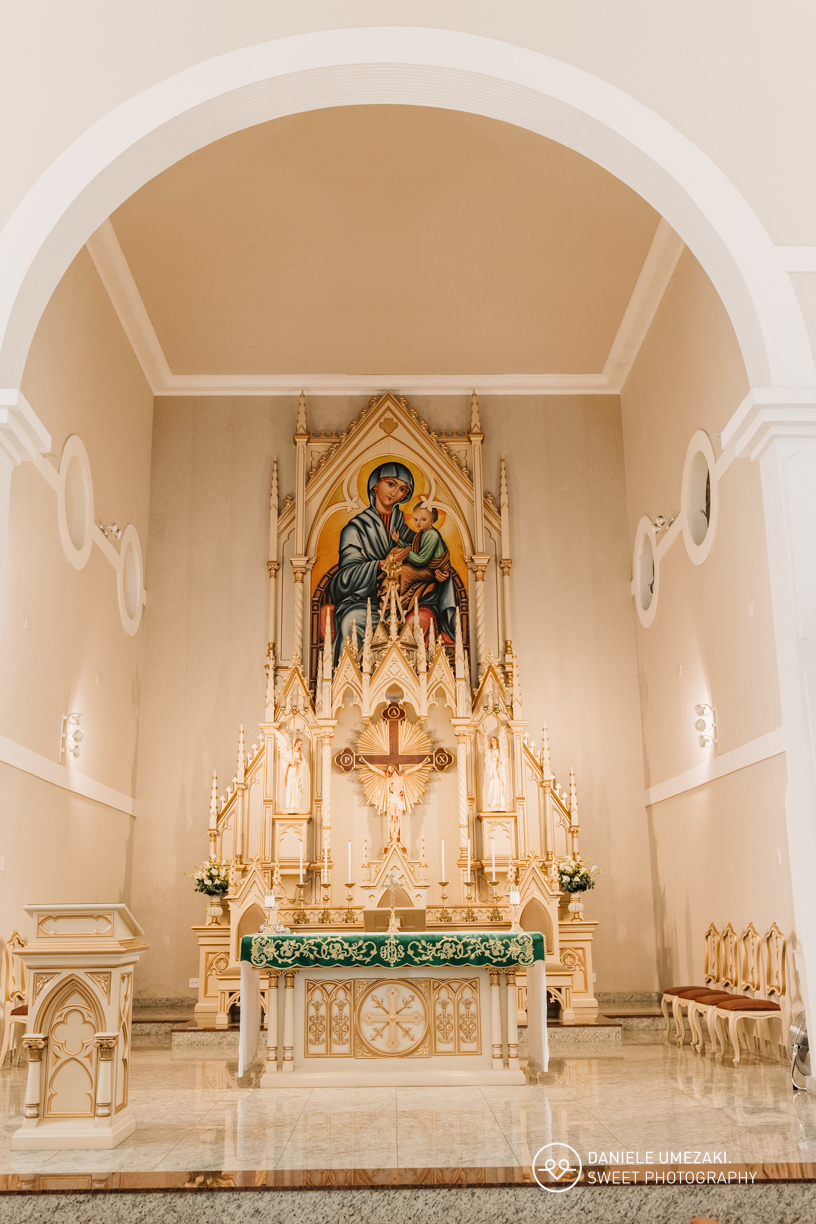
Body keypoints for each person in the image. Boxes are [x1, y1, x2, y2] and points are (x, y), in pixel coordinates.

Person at [326, 463, 457, 662]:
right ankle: (348, 688)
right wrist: (381, 564)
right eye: (391, 484)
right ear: (375, 486)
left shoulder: (409, 528)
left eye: (403, 489)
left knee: (422, 620)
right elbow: (343, 580)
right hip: (368, 604)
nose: (396, 492)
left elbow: (428, 560)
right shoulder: (354, 530)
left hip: (407, 604)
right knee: (350, 622)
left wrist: (441, 574)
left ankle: (424, 687)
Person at [394, 503, 451, 611]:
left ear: (432, 520)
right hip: (427, 568)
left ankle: (398, 602)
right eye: (415, 519)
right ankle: (395, 601)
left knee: (403, 571)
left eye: (423, 519)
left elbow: (421, 560)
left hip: (431, 571)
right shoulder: (424, 533)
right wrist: (399, 541)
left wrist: (406, 552)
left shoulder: (431, 535)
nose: (418, 523)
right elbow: (415, 549)